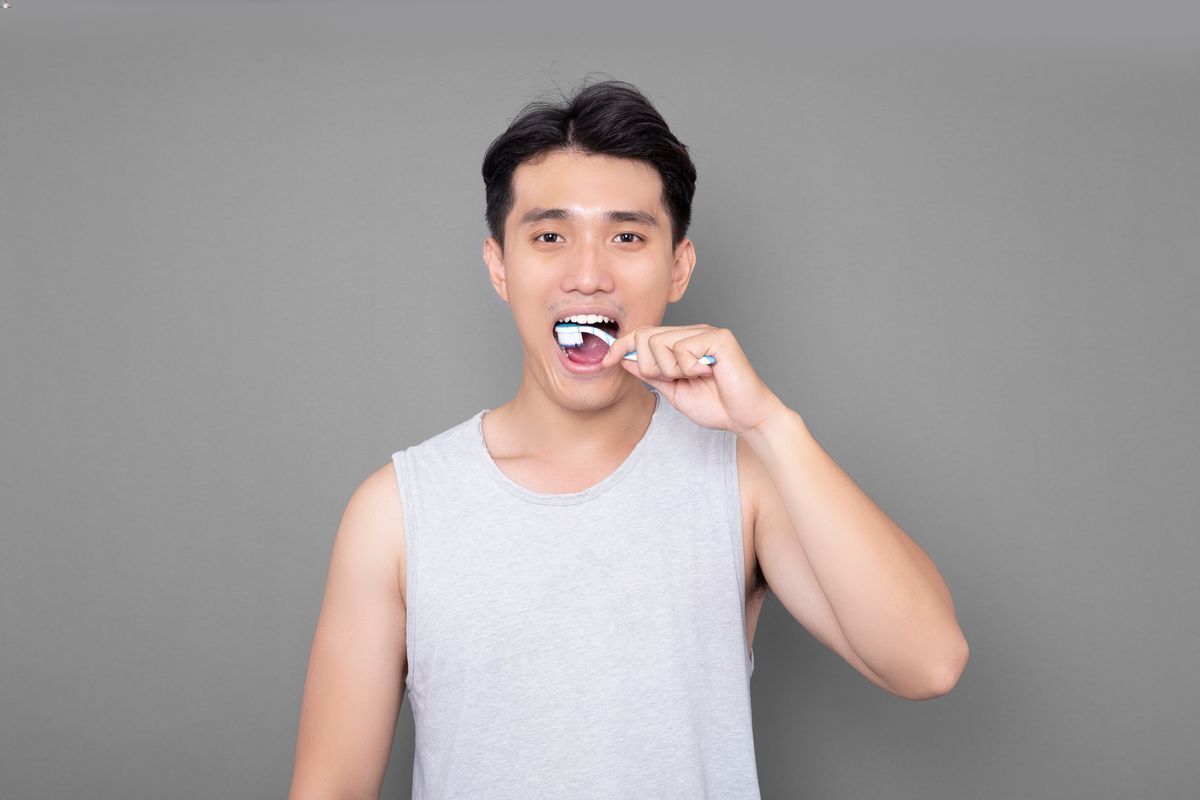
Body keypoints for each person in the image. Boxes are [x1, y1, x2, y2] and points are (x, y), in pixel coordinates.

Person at [288, 78, 969, 800]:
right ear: (499, 267)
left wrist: (770, 424)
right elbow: (331, 786)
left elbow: (929, 662)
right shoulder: (397, 510)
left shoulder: (744, 480)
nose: (588, 275)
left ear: (678, 267)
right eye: (550, 237)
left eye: (627, 237)